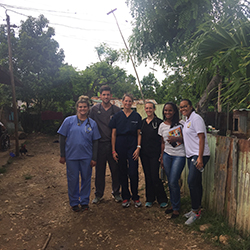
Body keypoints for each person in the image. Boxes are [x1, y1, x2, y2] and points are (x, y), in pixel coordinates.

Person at [58, 95, 101, 212]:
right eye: (80, 107)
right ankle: (74, 202)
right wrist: (62, 155)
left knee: (86, 179)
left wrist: (94, 157)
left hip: (86, 157)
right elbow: (62, 137)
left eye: (85, 107)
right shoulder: (68, 121)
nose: (82, 109)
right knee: (73, 180)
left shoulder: (92, 124)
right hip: (71, 156)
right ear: (77, 108)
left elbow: (95, 142)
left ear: (88, 108)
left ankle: (84, 201)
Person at [89, 85, 122, 204]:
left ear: (111, 96)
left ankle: (116, 193)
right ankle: (98, 194)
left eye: (108, 94)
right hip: (99, 145)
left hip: (113, 145)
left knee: (115, 170)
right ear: (100, 96)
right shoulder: (94, 110)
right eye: (104, 94)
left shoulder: (117, 110)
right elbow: (90, 126)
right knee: (99, 171)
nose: (106, 96)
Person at [179, 99, 210, 225]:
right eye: (181, 107)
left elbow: (201, 137)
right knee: (196, 182)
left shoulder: (196, 119)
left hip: (198, 155)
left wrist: (200, 157)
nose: (183, 109)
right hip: (191, 155)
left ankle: (196, 211)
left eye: (185, 106)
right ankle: (196, 209)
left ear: (191, 106)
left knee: (191, 181)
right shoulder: (187, 120)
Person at [109, 93, 142, 208]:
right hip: (120, 145)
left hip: (132, 145)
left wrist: (138, 148)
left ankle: (136, 196)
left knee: (133, 172)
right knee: (122, 172)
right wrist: (113, 150)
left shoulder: (136, 116)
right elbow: (113, 134)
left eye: (130, 101)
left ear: (132, 103)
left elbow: (139, 134)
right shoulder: (117, 116)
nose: (128, 103)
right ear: (122, 102)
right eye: (126, 101)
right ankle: (126, 197)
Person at [158, 102, 186, 218]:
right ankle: (173, 204)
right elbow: (162, 143)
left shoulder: (181, 124)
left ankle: (176, 208)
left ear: (174, 111)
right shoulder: (162, 125)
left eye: (170, 110)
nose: (167, 112)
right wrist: (161, 156)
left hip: (179, 155)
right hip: (167, 155)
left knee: (174, 180)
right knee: (170, 181)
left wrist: (177, 138)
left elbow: (189, 139)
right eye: (165, 110)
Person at [140, 102, 168, 208]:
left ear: (154, 109)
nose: (148, 110)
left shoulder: (159, 123)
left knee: (155, 176)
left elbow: (162, 140)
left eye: (150, 108)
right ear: (145, 109)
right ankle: (150, 198)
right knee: (147, 176)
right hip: (144, 154)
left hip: (155, 154)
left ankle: (162, 199)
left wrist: (162, 154)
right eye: (147, 108)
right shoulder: (142, 123)